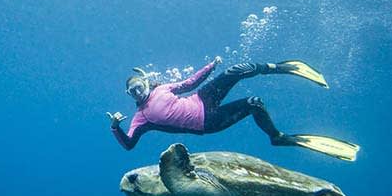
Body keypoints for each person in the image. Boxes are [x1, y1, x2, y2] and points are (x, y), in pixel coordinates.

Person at [107, 57, 360, 161]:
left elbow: (190, 83)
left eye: (138, 86)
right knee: (254, 104)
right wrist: (115, 127)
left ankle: (282, 68)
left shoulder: (161, 89)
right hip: (208, 122)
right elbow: (129, 145)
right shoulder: (141, 118)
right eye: (132, 92)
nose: (138, 92)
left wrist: (212, 66)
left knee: (237, 70)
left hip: (201, 98)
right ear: (130, 96)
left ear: (144, 83)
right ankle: (278, 138)